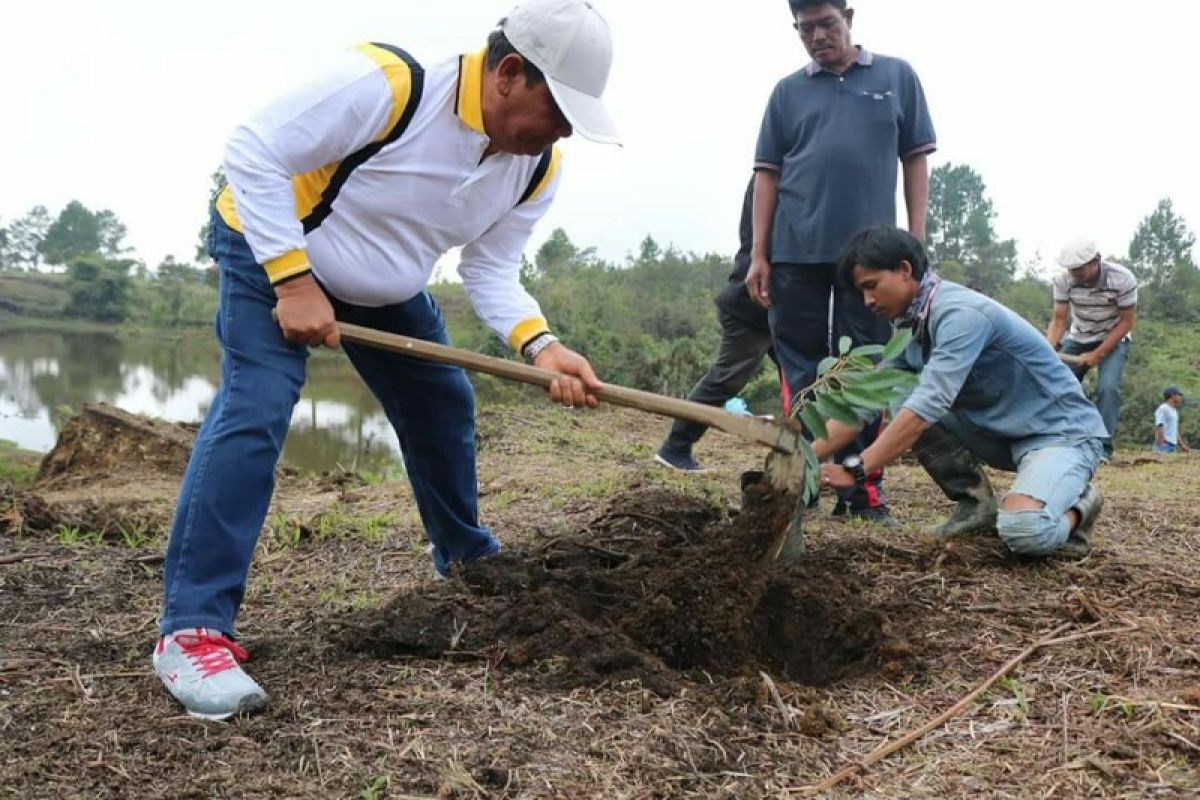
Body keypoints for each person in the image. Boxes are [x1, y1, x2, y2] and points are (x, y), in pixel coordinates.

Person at [152, 0, 620, 721]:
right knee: (257, 406)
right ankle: (193, 630)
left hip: (383, 286)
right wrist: (293, 278)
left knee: (443, 400)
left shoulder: (533, 167)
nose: (561, 133)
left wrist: (544, 346)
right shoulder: (389, 86)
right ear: (509, 73)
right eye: (557, 112)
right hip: (272, 252)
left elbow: (490, 267)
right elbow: (252, 149)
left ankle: (464, 558)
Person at [745, 0, 936, 525]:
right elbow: (768, 173)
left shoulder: (897, 76)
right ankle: (798, 485)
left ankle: (861, 491)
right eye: (806, 29)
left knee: (867, 371)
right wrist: (760, 253)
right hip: (794, 252)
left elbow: (915, 158)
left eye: (827, 24)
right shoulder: (787, 92)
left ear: (850, 16)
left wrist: (914, 240)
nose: (817, 36)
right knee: (801, 371)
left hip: (871, 258)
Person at [816, 227, 1106, 559]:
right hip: (1003, 434)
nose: (868, 301)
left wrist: (855, 469)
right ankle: (976, 507)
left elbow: (924, 410)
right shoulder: (910, 324)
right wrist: (805, 458)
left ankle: (1082, 506)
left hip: (1062, 435)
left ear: (905, 270)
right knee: (898, 389)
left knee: (1023, 531)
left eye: (871, 286)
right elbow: (866, 404)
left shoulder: (960, 316)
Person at [654, 177, 777, 472]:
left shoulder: (784, 172)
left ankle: (809, 463)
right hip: (752, 304)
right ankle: (675, 447)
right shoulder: (773, 175)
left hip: (777, 303)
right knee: (726, 378)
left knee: (802, 386)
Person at [1045, 235, 1138, 460]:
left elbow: (1127, 322)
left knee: (1107, 388)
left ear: (1095, 260)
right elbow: (1059, 320)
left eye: (1079, 269)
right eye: (1071, 270)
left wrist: (1098, 354)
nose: (1075, 275)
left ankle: (1103, 448)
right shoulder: (1063, 281)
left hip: (1113, 337)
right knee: (1055, 383)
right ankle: (1058, 438)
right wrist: (1047, 349)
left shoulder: (1122, 279)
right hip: (1079, 336)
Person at [1154, 387, 1190, 454]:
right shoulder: (1163, 408)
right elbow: (1159, 425)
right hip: (1164, 444)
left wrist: (1181, 445)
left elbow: (1174, 429)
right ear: (1173, 395)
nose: (1180, 397)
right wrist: (1161, 443)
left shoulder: (1174, 411)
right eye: (1179, 395)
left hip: (1172, 445)